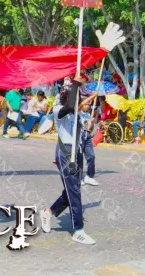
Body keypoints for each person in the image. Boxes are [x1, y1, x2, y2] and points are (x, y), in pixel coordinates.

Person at [40, 75, 96, 245]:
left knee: (72, 189)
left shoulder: (77, 113)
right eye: (75, 95)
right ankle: (78, 230)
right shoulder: (58, 110)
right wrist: (76, 84)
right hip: (65, 154)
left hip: (75, 153)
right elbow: (70, 106)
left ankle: (48, 212)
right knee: (75, 192)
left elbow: (79, 127)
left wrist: (89, 127)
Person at [79, 92, 99, 186]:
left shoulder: (88, 115)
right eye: (86, 104)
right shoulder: (78, 112)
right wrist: (93, 95)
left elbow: (89, 129)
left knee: (91, 156)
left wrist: (91, 124)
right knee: (79, 158)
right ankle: (78, 177)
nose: (87, 106)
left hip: (87, 136)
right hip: (79, 136)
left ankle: (89, 176)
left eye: (89, 104)